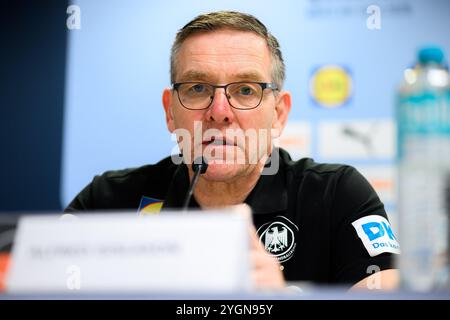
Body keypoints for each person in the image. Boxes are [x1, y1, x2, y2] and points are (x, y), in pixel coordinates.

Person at [66, 11, 400, 290]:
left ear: (279, 114)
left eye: (245, 89)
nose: (220, 111)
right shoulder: (108, 201)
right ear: (170, 111)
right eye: (198, 88)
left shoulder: (336, 193)